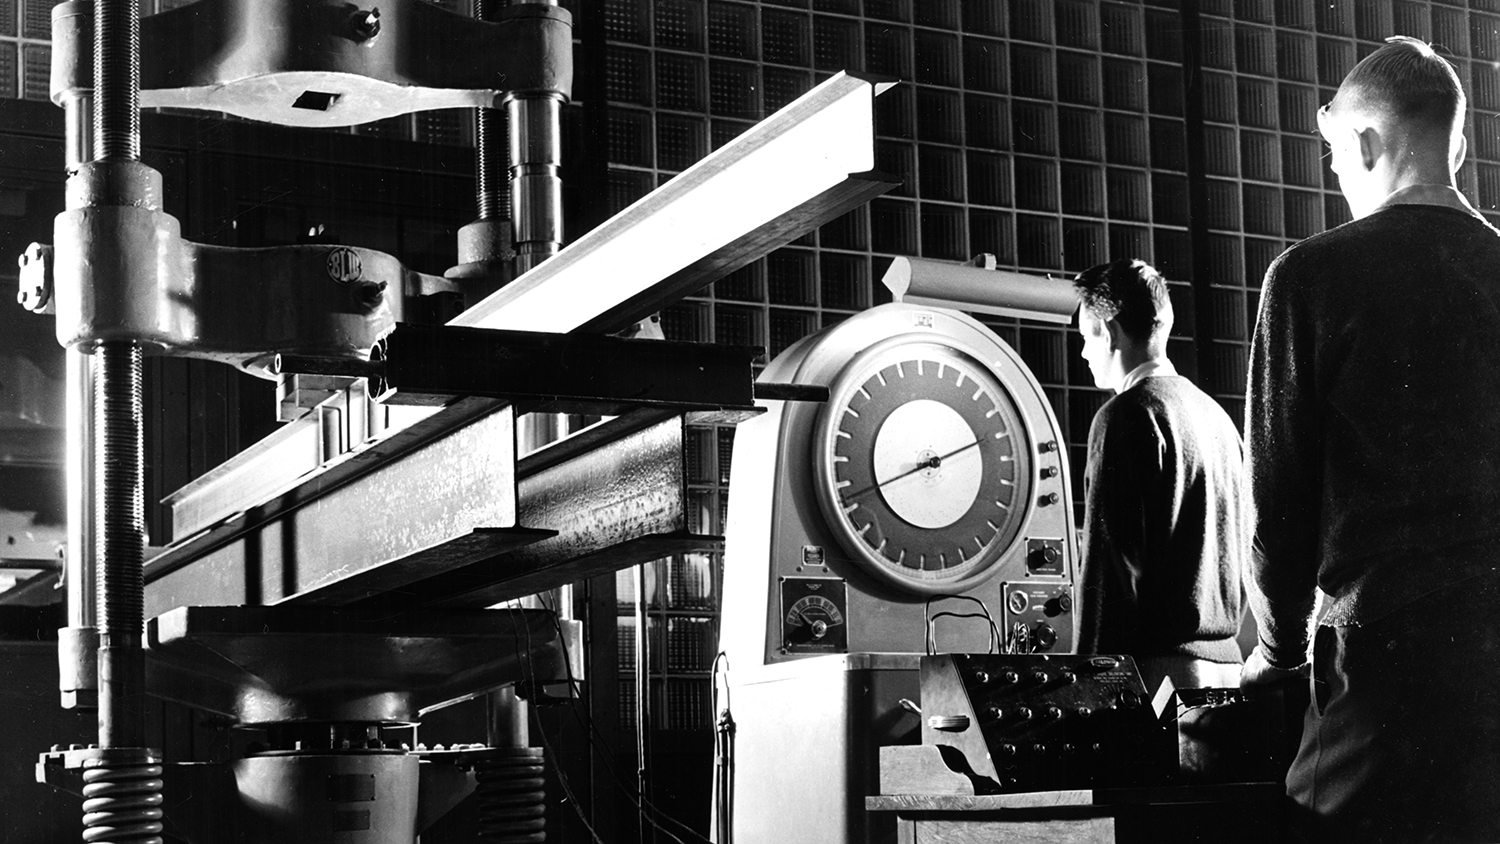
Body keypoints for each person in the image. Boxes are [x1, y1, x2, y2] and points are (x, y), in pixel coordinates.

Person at [1243, 36, 1500, 843]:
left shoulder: (1311, 276)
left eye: (1333, 157)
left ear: (1362, 142)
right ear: (1456, 144)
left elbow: (1279, 505)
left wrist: (1277, 654)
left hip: (1382, 674)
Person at [1072, 258, 1247, 696]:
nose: (1082, 353)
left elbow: (1109, 571)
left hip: (1161, 680)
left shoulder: (1124, 416)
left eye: (1083, 337)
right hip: (1232, 673)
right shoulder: (1217, 418)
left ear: (1107, 331)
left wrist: (1089, 685)